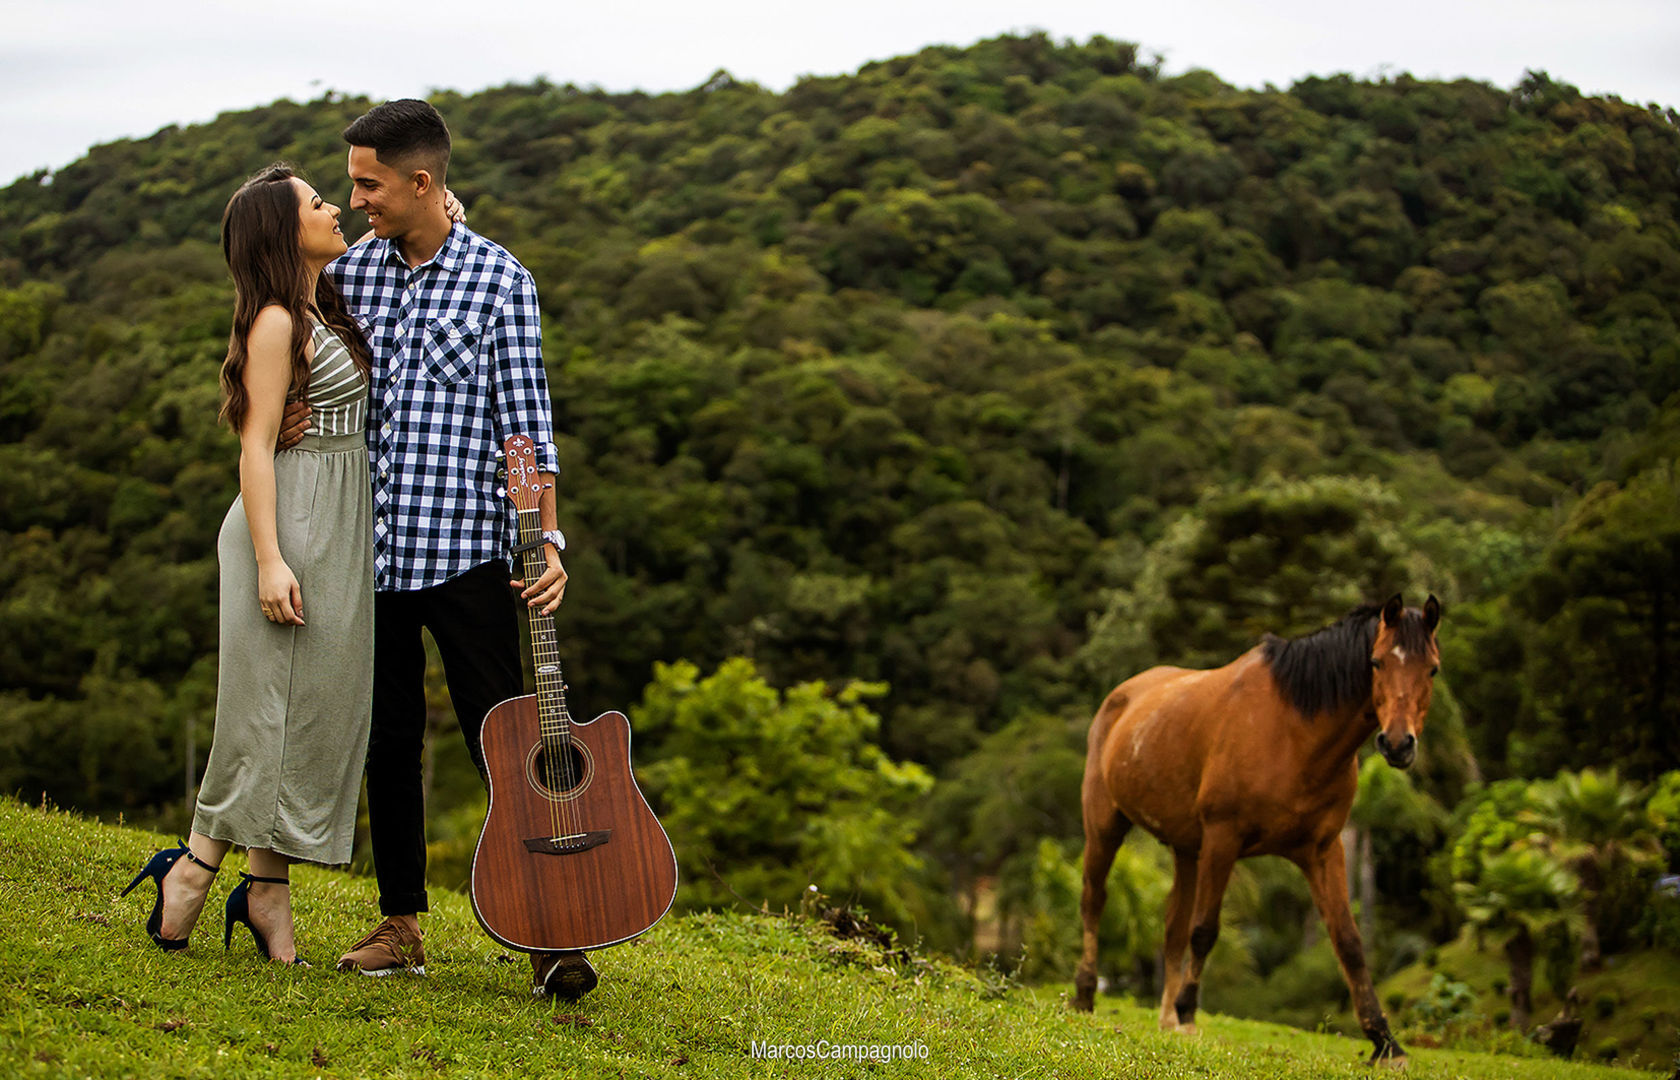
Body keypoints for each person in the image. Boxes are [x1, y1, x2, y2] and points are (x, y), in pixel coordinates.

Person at [281, 99, 591, 999]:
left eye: (369, 183)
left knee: (506, 742)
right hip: (366, 557)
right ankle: (402, 923)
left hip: (469, 559)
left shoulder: (502, 280)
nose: (357, 199)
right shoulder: (353, 274)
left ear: (423, 182)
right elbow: (309, 366)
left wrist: (547, 541)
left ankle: (550, 928)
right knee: (389, 741)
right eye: (350, 184)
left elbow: (524, 433)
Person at [123, 165, 376, 965]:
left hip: (335, 527)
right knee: (263, 710)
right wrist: (270, 559)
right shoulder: (276, 321)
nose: (334, 208)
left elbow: (396, 235)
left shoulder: (318, 303)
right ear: (281, 231)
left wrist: (447, 206)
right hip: (290, 526)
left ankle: (266, 889)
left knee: (310, 712)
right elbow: (256, 446)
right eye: (316, 203)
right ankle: (195, 872)